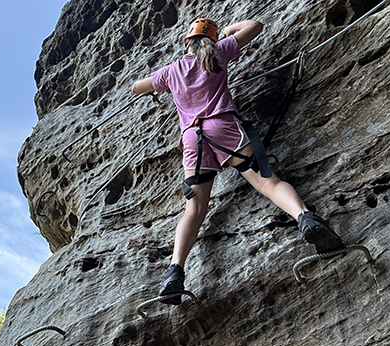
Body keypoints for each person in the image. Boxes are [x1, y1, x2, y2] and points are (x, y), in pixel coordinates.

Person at [132, 18, 343, 304]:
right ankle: (305, 217)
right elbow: (255, 26)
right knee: (266, 182)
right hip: (223, 128)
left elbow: (136, 87)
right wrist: (227, 33)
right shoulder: (218, 52)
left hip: (193, 139)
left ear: (185, 42)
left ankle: (175, 270)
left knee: (194, 208)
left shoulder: (171, 72)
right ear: (212, 39)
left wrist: (163, 83)